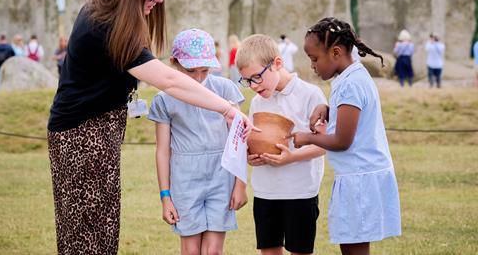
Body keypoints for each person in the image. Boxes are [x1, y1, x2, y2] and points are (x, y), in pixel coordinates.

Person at [47, 0, 255, 255]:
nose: (158, 0)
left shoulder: (105, 9)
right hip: (82, 138)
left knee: (101, 226)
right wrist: (225, 107)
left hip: (96, 134)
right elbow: (170, 81)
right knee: (87, 233)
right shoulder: (105, 27)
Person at [291, 17, 401, 255]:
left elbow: (342, 141)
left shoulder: (351, 84)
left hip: (360, 178)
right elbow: (353, 115)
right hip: (358, 175)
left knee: (354, 248)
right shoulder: (351, 78)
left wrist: (306, 138)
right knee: (351, 243)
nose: (312, 66)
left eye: (314, 59)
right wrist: (329, 110)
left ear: (336, 52)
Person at [149, 28, 247, 255]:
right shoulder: (164, 99)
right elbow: (163, 151)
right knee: (191, 250)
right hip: (184, 180)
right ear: (174, 63)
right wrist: (165, 197)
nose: (199, 77)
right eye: (192, 71)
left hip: (220, 177)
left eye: (205, 70)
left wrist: (240, 184)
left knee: (213, 251)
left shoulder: (224, 89)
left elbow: (239, 140)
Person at [236, 34, 327, 255]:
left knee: (300, 250)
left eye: (257, 77)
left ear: (277, 63)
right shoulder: (257, 102)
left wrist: (291, 157)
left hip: (301, 191)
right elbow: (252, 140)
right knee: (268, 250)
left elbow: (325, 144)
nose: (253, 86)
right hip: (266, 192)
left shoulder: (310, 95)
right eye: (247, 81)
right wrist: (251, 157)